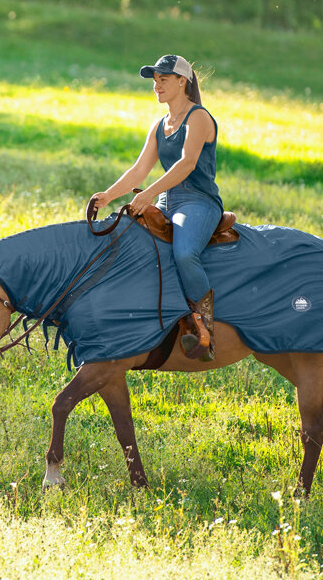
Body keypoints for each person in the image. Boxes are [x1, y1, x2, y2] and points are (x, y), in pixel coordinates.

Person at [89, 53, 223, 358]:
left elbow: (187, 164)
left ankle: (206, 331)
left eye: (163, 79)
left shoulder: (199, 117)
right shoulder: (160, 125)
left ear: (182, 81)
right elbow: (138, 171)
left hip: (199, 201)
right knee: (126, 237)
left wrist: (147, 194)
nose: (157, 86)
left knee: (186, 254)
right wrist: (108, 195)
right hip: (167, 199)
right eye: (154, 81)